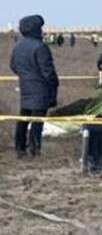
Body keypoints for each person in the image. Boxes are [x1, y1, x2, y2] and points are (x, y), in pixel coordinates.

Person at [9, 15, 59, 158]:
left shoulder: (18, 45)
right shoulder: (40, 46)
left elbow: (13, 66)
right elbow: (48, 71)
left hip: (25, 87)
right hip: (41, 89)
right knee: (37, 122)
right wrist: (54, 84)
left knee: (23, 119)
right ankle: (35, 150)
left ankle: (20, 149)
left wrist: (26, 76)